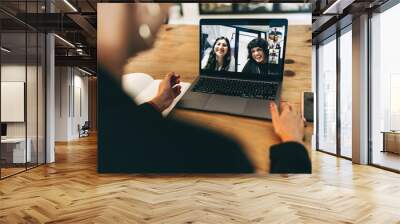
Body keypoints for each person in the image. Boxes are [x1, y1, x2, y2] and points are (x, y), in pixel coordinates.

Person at [97, 3, 311, 173]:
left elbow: (127, 125)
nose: (167, 8)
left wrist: (156, 103)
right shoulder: (220, 155)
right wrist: (293, 143)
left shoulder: (105, 126)